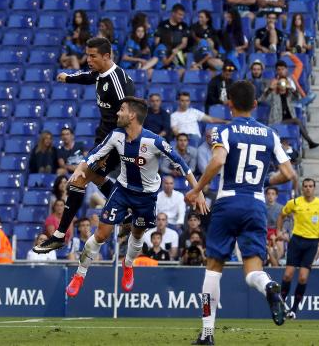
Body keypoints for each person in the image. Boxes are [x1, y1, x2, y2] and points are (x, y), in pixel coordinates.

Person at [184, 81, 297, 344]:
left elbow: (219, 160)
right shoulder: (270, 134)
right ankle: (268, 285)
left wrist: (197, 188)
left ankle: (207, 334)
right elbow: (290, 174)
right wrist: (263, 182)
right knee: (252, 271)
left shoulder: (224, 131)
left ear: (229, 104)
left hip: (228, 203)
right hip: (256, 204)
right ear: (256, 104)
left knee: (213, 269)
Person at [56, 97, 205, 297]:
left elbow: (181, 164)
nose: (117, 113)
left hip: (146, 197)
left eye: (122, 110)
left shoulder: (154, 141)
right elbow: (95, 154)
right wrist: (81, 168)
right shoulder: (116, 135)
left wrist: (198, 191)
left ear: (132, 115)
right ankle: (80, 274)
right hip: (123, 190)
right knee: (101, 234)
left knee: (136, 235)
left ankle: (128, 264)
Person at [34, 37, 135, 253]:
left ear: (107, 56)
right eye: (87, 55)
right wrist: (68, 78)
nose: (88, 59)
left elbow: (130, 119)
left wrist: (109, 149)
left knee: (79, 179)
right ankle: (126, 211)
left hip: (116, 141)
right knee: (97, 177)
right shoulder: (101, 73)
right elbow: (90, 77)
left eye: (93, 56)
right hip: (104, 137)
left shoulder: (119, 83)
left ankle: (60, 234)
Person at [277, 178, 319, 319]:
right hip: (296, 241)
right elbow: (282, 214)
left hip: (312, 243)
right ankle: (281, 305)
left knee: (302, 278)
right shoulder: (294, 202)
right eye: (305, 186)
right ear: (302, 188)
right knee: (288, 275)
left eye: (310, 186)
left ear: (314, 188)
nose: (308, 188)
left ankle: (294, 310)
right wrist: (279, 231)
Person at [259, 77, 319, 148]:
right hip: (277, 120)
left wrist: (291, 88)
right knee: (297, 121)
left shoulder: (289, 94)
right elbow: (261, 100)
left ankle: (309, 142)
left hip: (289, 120)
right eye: (280, 83)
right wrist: (269, 89)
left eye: (284, 83)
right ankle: (309, 141)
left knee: (297, 121)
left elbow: (298, 98)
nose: (282, 86)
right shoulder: (273, 95)